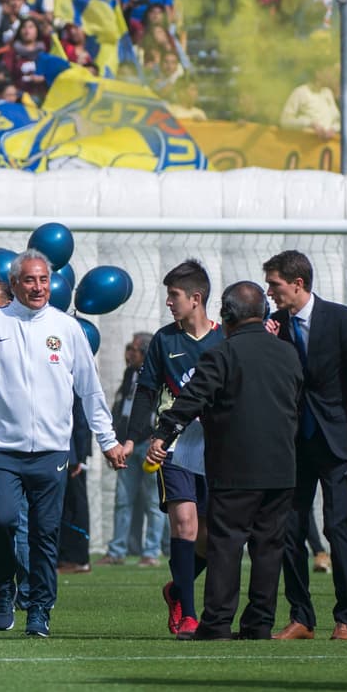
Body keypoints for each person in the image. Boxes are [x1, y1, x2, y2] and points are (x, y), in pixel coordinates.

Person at [0, 250, 127, 638]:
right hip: (1, 449)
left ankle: (39, 609)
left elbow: (90, 390)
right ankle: (2, 588)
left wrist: (108, 440)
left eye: (44, 280)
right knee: (0, 522)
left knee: (45, 534)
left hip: (52, 451)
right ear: (14, 284)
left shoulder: (67, 328)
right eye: (30, 280)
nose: (38, 287)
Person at [148, 281, 303, 640]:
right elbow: (296, 402)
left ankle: (216, 624)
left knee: (226, 545)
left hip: (235, 467)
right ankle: (258, 625)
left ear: (228, 316)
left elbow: (191, 399)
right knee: (268, 548)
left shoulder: (222, 354)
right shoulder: (288, 354)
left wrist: (163, 435)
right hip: (282, 467)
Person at [265, 250, 347, 642]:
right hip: (291, 444)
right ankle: (302, 618)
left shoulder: (342, 319)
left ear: (298, 284)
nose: (270, 292)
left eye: (275, 285)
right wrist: (268, 346)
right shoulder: (272, 326)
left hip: (336, 443)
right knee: (289, 531)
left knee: (336, 529)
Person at [123, 260, 225, 639]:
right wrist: (135, 438)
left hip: (217, 449)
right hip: (174, 447)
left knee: (212, 536)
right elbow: (147, 392)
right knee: (184, 523)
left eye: (174, 295)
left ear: (196, 299)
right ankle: (189, 614)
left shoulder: (225, 338)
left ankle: (176, 588)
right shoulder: (164, 340)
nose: (169, 302)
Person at [100, 331, 163, 567]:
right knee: (123, 499)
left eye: (134, 349)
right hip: (127, 443)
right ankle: (117, 550)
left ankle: (151, 552)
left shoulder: (155, 374)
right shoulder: (130, 374)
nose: (129, 354)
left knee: (153, 502)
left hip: (148, 443)